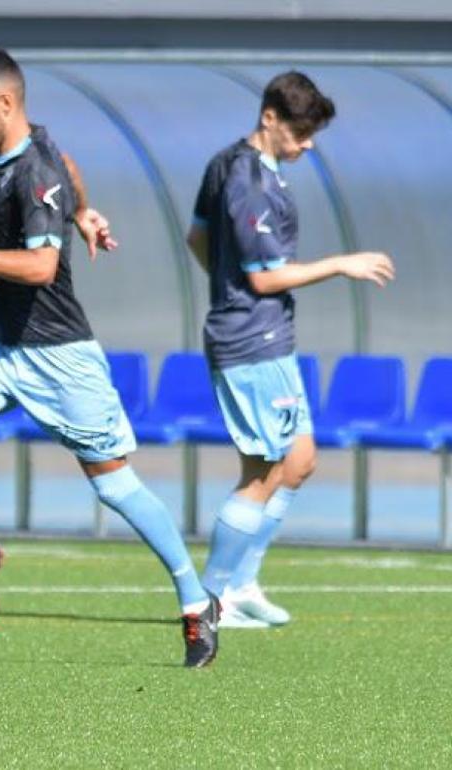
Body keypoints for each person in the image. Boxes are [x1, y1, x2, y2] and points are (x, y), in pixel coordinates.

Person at [0, 48, 220, 667]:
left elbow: (42, 266)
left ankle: (194, 598)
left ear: (5, 103)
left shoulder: (32, 165)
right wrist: (80, 211)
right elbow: (68, 167)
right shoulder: (11, 148)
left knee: (116, 490)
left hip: (59, 356)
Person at [187, 71, 394, 628]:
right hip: (250, 341)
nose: (308, 145)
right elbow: (266, 279)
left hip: (268, 337)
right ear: (269, 117)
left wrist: (228, 283)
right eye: (300, 133)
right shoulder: (247, 182)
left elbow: (197, 239)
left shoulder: (229, 163)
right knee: (262, 471)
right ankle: (208, 604)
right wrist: (342, 263)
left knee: (298, 461)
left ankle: (242, 583)